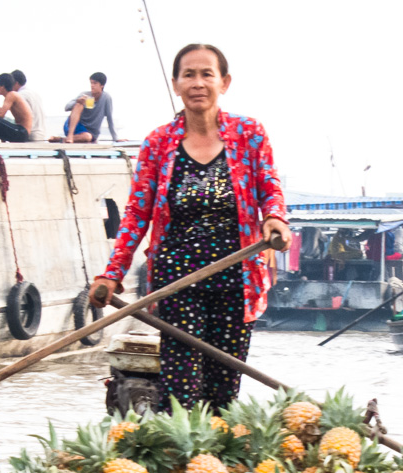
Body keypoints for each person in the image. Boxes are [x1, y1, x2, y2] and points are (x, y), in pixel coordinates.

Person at [88, 43, 291, 412]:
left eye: (206, 74)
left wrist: (275, 217)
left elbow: (269, 187)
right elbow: (136, 214)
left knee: (223, 387)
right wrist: (112, 273)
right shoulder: (158, 143)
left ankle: (215, 463)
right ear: (176, 84)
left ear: (224, 82)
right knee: (180, 386)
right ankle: (180, 455)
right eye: (189, 75)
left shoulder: (249, 134)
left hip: (236, 276)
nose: (198, 83)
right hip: (178, 279)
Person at [57, 72, 123, 143]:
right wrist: (78, 101)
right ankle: (70, 136)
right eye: (91, 83)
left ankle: (61, 139)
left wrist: (115, 138)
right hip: (74, 127)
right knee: (79, 104)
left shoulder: (106, 98)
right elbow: (66, 108)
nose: (92, 86)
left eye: (95, 83)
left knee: (87, 137)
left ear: (102, 85)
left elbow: (109, 119)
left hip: (89, 133)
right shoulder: (85, 95)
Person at [11, 69, 47, 142]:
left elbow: (20, 118)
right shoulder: (34, 94)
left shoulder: (20, 96)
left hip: (30, 134)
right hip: (41, 133)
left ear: (16, 83)